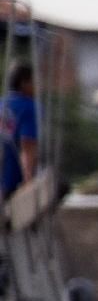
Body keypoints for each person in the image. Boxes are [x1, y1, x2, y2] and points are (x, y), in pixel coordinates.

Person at [0, 64, 37, 200]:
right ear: (24, 83)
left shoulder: (2, 104)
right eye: (33, 82)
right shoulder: (29, 107)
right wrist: (28, 181)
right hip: (13, 179)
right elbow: (27, 146)